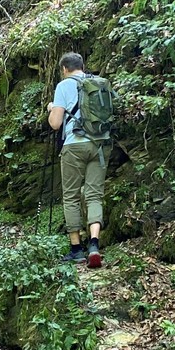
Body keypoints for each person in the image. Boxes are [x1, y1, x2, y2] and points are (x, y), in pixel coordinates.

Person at [47, 51, 107, 268]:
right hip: (100, 144)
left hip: (74, 145)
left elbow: (55, 124)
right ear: (83, 66)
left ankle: (76, 249)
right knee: (94, 195)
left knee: (71, 196)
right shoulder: (96, 83)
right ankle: (94, 244)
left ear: (64, 69)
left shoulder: (63, 86)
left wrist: (52, 109)